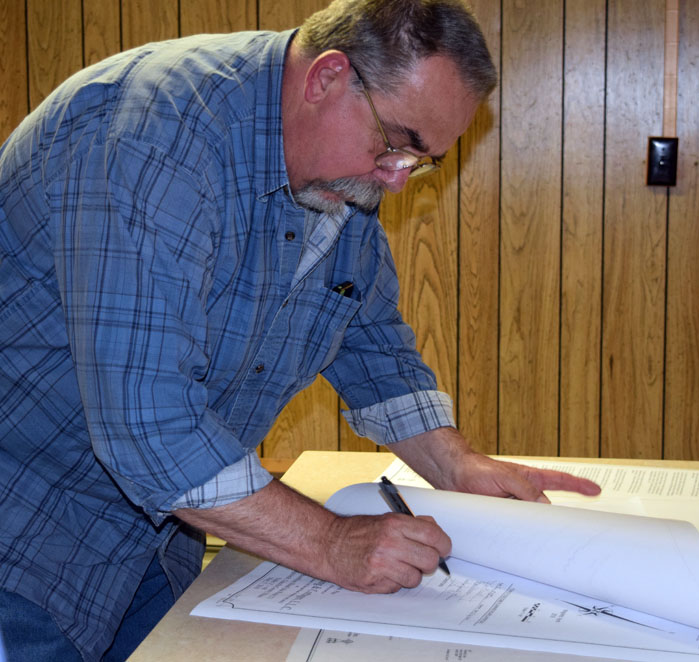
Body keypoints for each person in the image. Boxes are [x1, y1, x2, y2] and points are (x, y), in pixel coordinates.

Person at [0, 0, 601, 659]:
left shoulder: (336, 169)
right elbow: (148, 426)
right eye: (397, 144)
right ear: (327, 78)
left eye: (417, 160)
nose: (397, 180)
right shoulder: (152, 135)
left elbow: (369, 336)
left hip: (161, 534)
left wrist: (454, 466)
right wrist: (332, 543)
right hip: (30, 533)